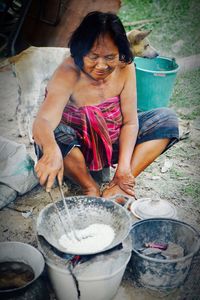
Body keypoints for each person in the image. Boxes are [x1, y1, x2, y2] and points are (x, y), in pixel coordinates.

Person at [33, 11, 179, 198]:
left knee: (166, 119)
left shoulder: (125, 67)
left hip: (111, 143)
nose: (101, 66)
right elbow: (43, 121)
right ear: (80, 51)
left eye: (110, 57)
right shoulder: (68, 71)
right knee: (53, 134)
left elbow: (130, 122)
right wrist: (51, 149)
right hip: (74, 151)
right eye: (93, 57)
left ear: (121, 52)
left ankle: (118, 185)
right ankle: (89, 186)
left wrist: (124, 169)